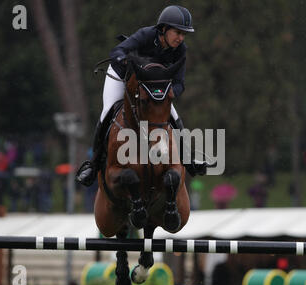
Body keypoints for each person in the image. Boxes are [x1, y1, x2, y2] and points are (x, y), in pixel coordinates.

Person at [76, 5, 208, 187]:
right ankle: (93, 164)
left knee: (175, 117)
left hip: (154, 89)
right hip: (122, 76)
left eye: (184, 34)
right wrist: (124, 59)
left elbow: (179, 83)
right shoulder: (146, 35)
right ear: (163, 29)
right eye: (177, 32)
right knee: (107, 111)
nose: (180, 38)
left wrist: (168, 94)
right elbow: (116, 51)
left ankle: (188, 158)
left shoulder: (180, 49)